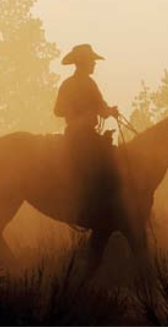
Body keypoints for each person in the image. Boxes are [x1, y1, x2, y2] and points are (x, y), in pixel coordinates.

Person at [54, 44, 120, 227]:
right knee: (102, 164)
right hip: (81, 137)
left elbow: (100, 107)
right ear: (83, 63)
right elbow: (59, 110)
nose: (94, 64)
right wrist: (87, 114)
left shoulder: (78, 84)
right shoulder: (80, 84)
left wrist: (108, 111)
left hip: (81, 136)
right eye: (91, 61)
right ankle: (93, 207)